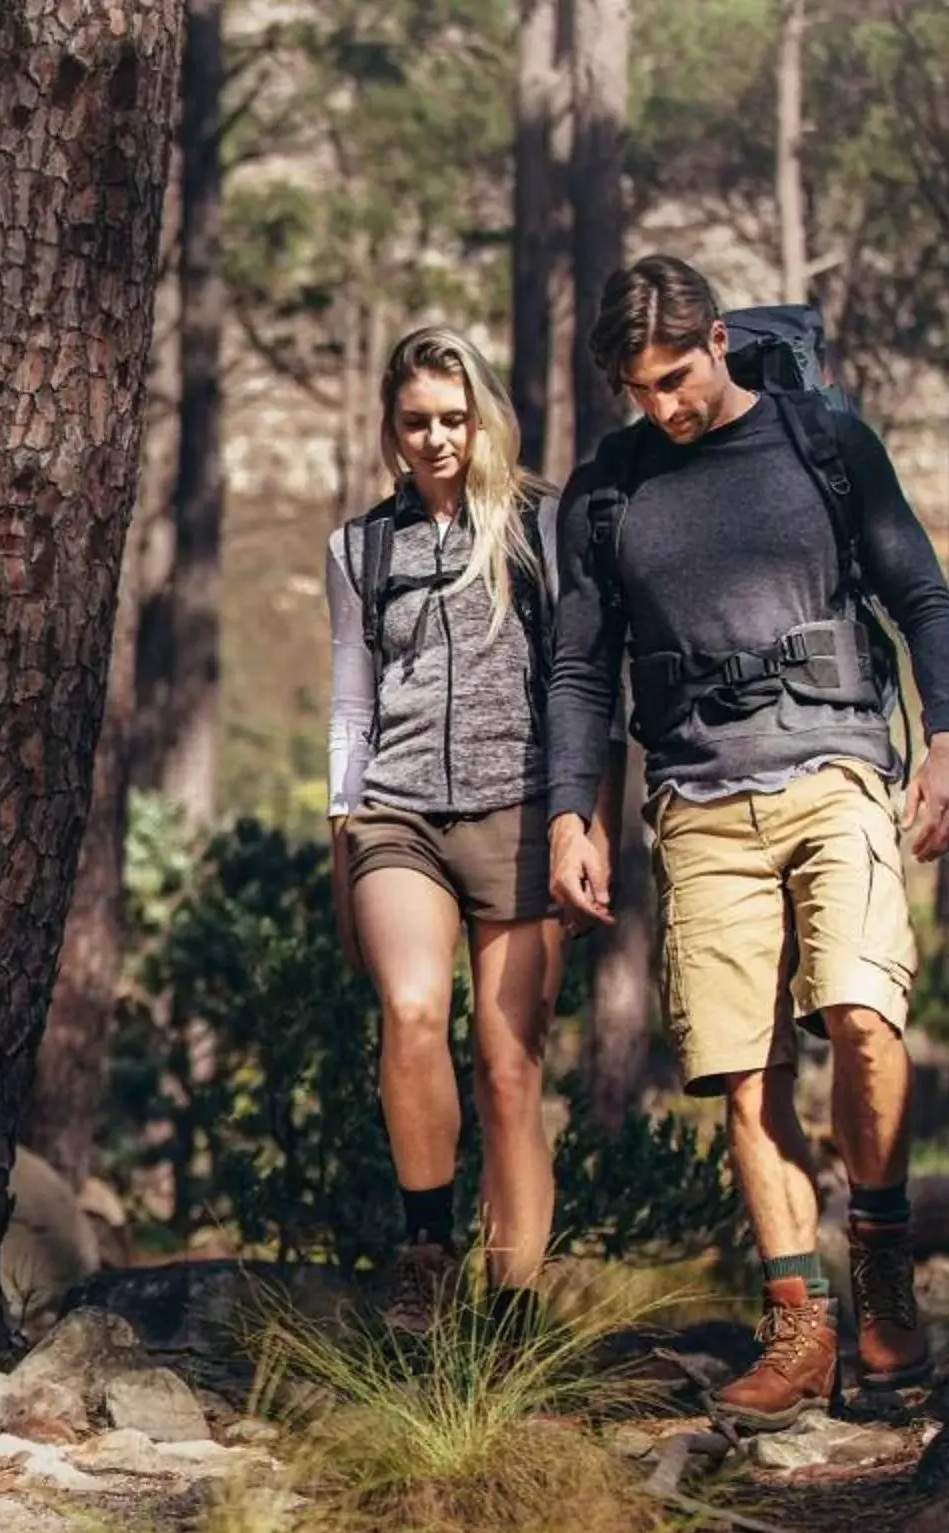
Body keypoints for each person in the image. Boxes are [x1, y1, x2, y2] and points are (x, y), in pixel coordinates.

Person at [545, 256, 949, 1430]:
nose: (663, 407)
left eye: (676, 378)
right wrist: (568, 810)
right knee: (747, 1072)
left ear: (721, 340)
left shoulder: (821, 441)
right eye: (639, 389)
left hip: (839, 769)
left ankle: (880, 1256)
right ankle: (800, 1323)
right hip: (697, 802)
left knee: (863, 1019)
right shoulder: (608, 490)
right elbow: (581, 668)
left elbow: (922, 599)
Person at [325, 325, 597, 1336]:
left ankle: (514, 1316)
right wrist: (339, 828)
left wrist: (584, 820)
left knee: (509, 1066)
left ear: (482, 416)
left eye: (453, 417)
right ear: (391, 431)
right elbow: (352, 699)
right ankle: (427, 1251)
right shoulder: (359, 548)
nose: (436, 438)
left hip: (522, 812)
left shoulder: (544, 526)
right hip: (398, 814)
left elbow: (583, 681)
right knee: (408, 1008)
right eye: (415, 422)